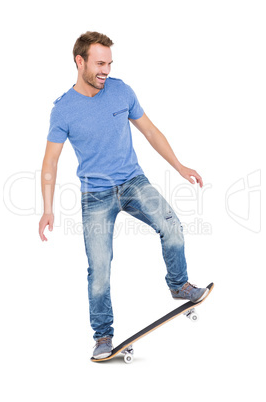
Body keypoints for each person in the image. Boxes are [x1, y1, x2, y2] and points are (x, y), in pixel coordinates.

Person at [39, 31, 209, 360]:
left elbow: (150, 131)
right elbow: (50, 162)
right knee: (99, 269)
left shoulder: (121, 91)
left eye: (110, 63)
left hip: (133, 182)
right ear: (80, 61)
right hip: (96, 196)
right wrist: (48, 209)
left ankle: (179, 285)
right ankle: (103, 336)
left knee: (172, 226)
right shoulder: (63, 110)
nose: (106, 70)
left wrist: (178, 166)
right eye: (99, 63)